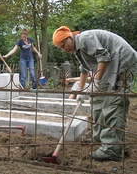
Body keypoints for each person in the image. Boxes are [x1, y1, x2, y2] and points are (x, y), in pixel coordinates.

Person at [52, 26, 137, 161]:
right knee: (97, 100)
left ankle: (111, 149)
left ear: (69, 37)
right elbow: (84, 69)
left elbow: (103, 57)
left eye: (63, 45)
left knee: (113, 103)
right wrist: (81, 90)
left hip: (122, 61)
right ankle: (97, 137)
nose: (64, 49)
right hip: (109, 66)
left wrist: (96, 82)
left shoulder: (85, 38)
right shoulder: (78, 49)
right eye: (61, 48)